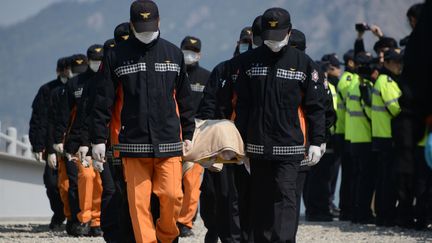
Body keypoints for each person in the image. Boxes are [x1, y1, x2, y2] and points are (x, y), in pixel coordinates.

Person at [91, 1, 195, 242]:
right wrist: (98, 139)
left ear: (159, 22)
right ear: (131, 24)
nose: (146, 30)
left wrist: (189, 134)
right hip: (133, 143)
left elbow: (185, 99)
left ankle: (167, 236)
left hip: (168, 141)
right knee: (138, 203)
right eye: (140, 26)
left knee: (171, 195)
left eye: (150, 25)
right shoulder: (116, 55)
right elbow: (103, 100)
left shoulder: (173, 54)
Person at [234, 8, 326, 242]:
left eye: (278, 36)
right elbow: (243, 106)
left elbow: (315, 106)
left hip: (290, 147)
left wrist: (317, 140)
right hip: (257, 146)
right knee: (262, 202)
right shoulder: (248, 63)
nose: (273, 42)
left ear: (289, 32)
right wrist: (240, 144)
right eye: (269, 37)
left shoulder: (304, 64)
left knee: (286, 198)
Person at [197, 25, 255, 243]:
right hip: (222, 146)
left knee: (247, 195)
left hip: (249, 146)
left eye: (251, 42)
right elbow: (207, 104)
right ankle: (220, 233)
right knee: (219, 195)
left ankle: (244, 237)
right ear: (237, 44)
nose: (247, 46)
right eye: (244, 42)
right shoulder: (222, 70)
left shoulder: (257, 71)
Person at [54, 47, 104, 236]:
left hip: (101, 139)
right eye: (94, 59)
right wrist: (59, 139)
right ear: (88, 59)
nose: (97, 62)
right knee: (85, 177)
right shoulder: (75, 84)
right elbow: (63, 114)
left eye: (100, 59)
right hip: (78, 139)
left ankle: (97, 221)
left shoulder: (107, 80)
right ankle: (84, 219)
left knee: (100, 181)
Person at [29, 57, 70, 230]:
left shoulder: (80, 87)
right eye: (64, 69)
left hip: (73, 143)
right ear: (58, 71)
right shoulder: (47, 90)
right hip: (52, 143)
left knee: (74, 183)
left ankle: (75, 216)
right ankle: (59, 213)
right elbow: (39, 120)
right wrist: (38, 145)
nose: (67, 72)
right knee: (52, 183)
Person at [177, 36, 210, 237]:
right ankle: (170, 217)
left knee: (191, 181)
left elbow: (210, 105)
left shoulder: (206, 77)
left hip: (198, 134)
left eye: (193, 50)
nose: (189, 54)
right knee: (173, 181)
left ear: (199, 54)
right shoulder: (173, 73)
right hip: (174, 132)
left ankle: (185, 222)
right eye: (186, 50)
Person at [304, 53, 340, 222]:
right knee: (320, 177)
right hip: (322, 136)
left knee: (316, 177)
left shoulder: (317, 84)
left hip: (317, 136)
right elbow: (327, 114)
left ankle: (316, 209)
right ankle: (317, 210)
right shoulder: (325, 86)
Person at [372, 48, 403, 227]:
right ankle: (385, 215)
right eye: (397, 62)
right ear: (388, 63)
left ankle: (383, 214)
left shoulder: (384, 80)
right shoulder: (386, 81)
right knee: (388, 179)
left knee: (384, 178)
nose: (399, 65)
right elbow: (396, 108)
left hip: (382, 135)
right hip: (387, 136)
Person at [335, 49, 355, 221]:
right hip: (345, 132)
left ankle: (346, 207)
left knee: (349, 173)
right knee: (349, 174)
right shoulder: (349, 80)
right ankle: (346, 208)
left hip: (347, 131)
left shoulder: (347, 79)